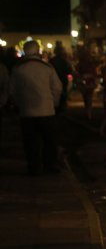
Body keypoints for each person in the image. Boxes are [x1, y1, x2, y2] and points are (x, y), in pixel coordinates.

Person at [9, 40, 63, 175]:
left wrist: (19, 103)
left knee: (30, 142)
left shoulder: (18, 69)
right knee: (49, 141)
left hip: (26, 111)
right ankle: (49, 165)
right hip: (46, 109)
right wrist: (54, 102)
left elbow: (12, 91)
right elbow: (57, 88)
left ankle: (33, 167)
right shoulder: (47, 68)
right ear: (38, 51)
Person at [75, 47, 99, 120]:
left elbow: (94, 73)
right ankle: (88, 111)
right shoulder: (84, 64)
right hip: (86, 81)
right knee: (87, 97)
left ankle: (88, 112)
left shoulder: (85, 64)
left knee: (88, 97)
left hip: (88, 81)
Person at [49, 42, 72, 114]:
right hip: (62, 80)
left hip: (54, 80)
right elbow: (68, 71)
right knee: (62, 96)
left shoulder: (52, 61)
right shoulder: (63, 61)